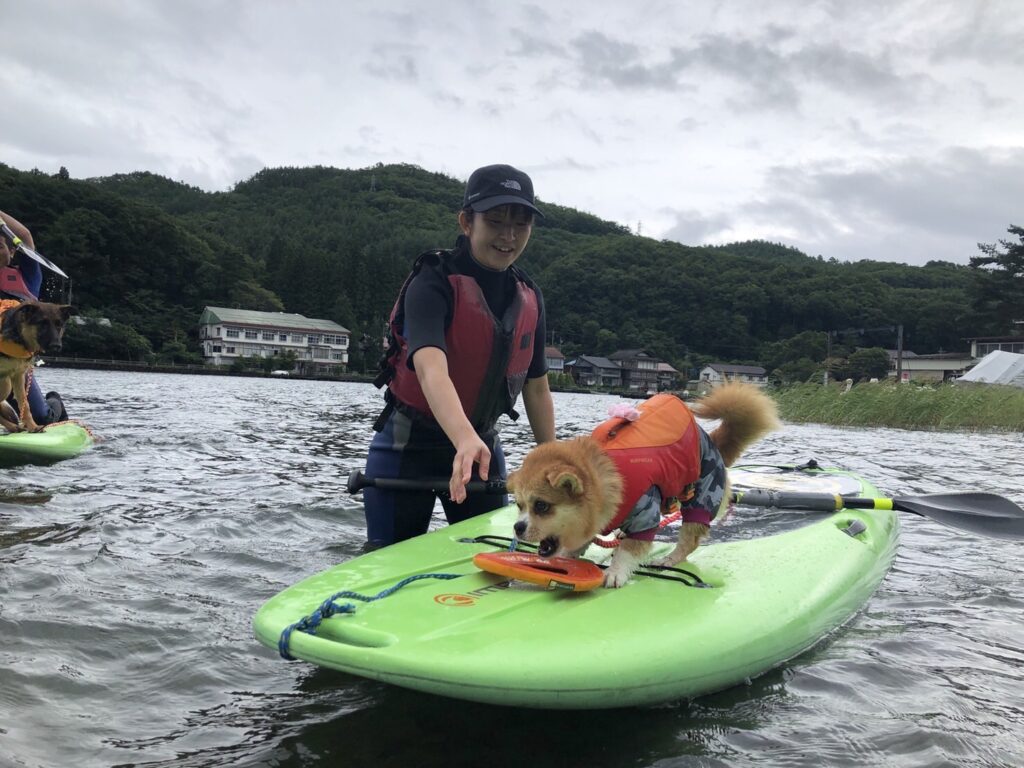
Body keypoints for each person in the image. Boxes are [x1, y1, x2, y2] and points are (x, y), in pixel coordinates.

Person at [364, 164, 556, 548]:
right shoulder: (432, 281)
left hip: (482, 447)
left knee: (490, 568)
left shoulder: (529, 295)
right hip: (409, 447)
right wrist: (464, 440)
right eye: (496, 221)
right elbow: (430, 369)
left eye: (520, 224)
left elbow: (537, 388)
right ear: (467, 222)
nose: (508, 235)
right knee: (387, 561)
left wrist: (552, 457)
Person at [0, 209, 69, 426]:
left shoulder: (28, 277)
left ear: (12, 252)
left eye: (0, 246)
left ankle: (55, 403)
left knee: (41, 417)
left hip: (18, 361)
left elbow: (25, 237)